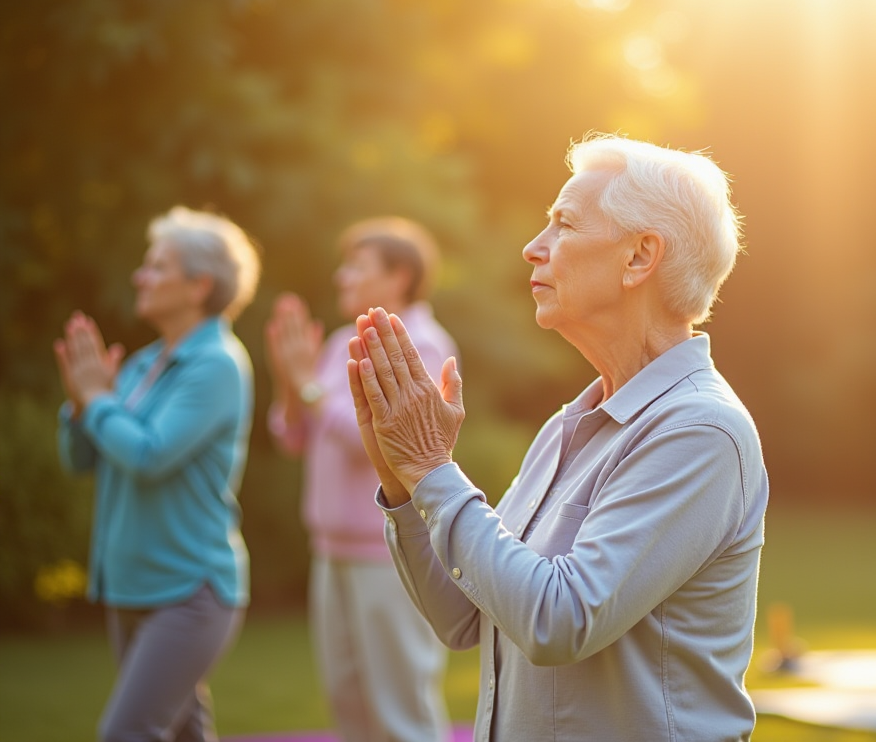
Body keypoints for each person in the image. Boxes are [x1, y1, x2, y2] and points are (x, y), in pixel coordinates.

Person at [346, 134, 769, 741]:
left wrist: (434, 468)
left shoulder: (701, 430)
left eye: (563, 225)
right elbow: (464, 617)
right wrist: (403, 477)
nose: (532, 248)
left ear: (639, 257)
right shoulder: (568, 425)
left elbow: (558, 620)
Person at [55, 206, 261, 742]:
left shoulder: (217, 363)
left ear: (199, 286)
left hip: (189, 591)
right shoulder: (143, 363)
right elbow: (82, 458)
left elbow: (149, 456)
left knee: (127, 732)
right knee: (183, 733)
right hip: (132, 585)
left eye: (157, 266)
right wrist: (81, 407)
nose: (139, 276)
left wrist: (98, 400)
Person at [265, 218, 453, 742]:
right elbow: (292, 436)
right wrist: (289, 384)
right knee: (349, 707)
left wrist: (307, 389)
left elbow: (387, 440)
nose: (341, 274)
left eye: (356, 265)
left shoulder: (423, 344)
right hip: (331, 552)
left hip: (391, 552)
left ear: (399, 277)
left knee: (400, 712)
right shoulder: (340, 341)